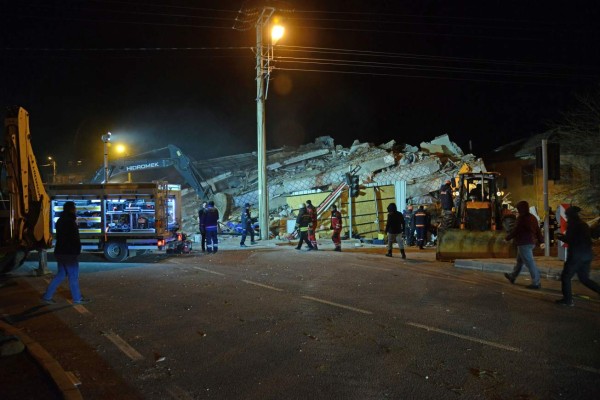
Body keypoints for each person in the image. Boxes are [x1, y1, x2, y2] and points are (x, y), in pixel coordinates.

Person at [41, 201, 91, 305]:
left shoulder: (60, 220)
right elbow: (74, 238)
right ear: (72, 209)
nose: (75, 210)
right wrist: (77, 250)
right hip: (69, 253)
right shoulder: (71, 222)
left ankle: (47, 296)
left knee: (61, 274)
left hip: (60, 251)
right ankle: (77, 298)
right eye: (74, 208)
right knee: (73, 276)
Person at [554, 206, 600, 306]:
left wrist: (561, 238)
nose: (566, 217)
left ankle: (568, 300)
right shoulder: (583, 224)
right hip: (587, 255)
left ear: (570, 215)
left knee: (566, 276)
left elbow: (571, 239)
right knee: (584, 278)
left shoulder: (572, 225)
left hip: (576, 255)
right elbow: (591, 236)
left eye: (566, 215)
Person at [503, 200, 544, 289]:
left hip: (524, 243)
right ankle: (512, 276)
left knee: (530, 263)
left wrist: (507, 238)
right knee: (520, 261)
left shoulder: (521, 218)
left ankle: (536, 283)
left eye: (518, 208)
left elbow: (516, 230)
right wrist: (541, 241)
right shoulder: (532, 217)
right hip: (531, 242)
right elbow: (537, 230)